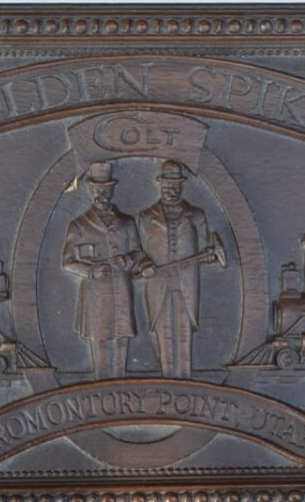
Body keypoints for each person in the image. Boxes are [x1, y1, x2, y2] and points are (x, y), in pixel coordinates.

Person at [61, 162, 142, 380]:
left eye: (106, 190)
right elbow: (67, 262)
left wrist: (128, 259)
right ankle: (101, 382)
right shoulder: (79, 225)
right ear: (90, 190)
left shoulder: (127, 222)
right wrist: (90, 271)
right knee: (100, 336)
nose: (101, 195)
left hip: (121, 287)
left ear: (112, 190)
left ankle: (120, 380)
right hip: (96, 291)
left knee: (122, 334)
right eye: (97, 190)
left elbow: (137, 251)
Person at [137, 160, 210, 379]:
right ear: (160, 185)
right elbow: (137, 250)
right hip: (158, 284)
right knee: (165, 333)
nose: (171, 190)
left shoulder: (197, 216)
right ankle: (167, 379)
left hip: (187, 284)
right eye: (168, 185)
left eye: (176, 185)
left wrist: (210, 255)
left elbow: (207, 249)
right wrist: (143, 264)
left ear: (182, 186)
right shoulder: (145, 217)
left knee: (184, 332)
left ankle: (185, 380)